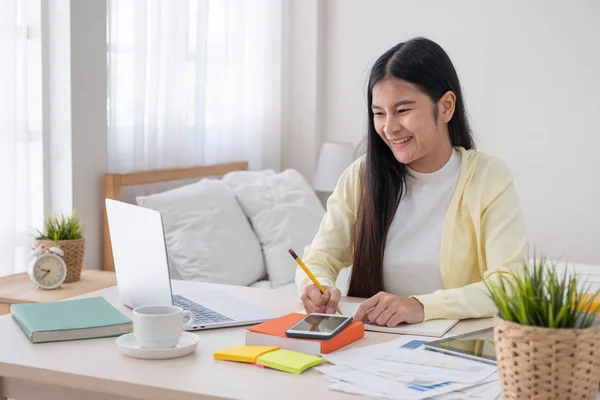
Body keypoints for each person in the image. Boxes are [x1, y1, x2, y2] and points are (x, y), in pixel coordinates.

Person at [295, 37, 527, 327]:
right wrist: (314, 286)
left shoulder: (488, 178)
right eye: (379, 113)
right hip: (373, 343)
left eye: (403, 110)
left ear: (445, 107)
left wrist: (420, 306)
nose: (389, 128)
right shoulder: (362, 176)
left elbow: (510, 286)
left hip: (456, 350)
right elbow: (321, 256)